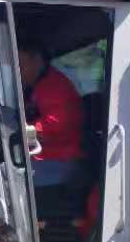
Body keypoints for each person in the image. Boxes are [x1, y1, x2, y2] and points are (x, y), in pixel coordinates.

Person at [17, 39, 89, 224]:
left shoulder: (56, 87)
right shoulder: (35, 86)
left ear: (36, 60)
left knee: (5, 179)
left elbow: (55, 126)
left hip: (59, 161)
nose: (18, 71)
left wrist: (19, 131)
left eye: (21, 65)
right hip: (41, 158)